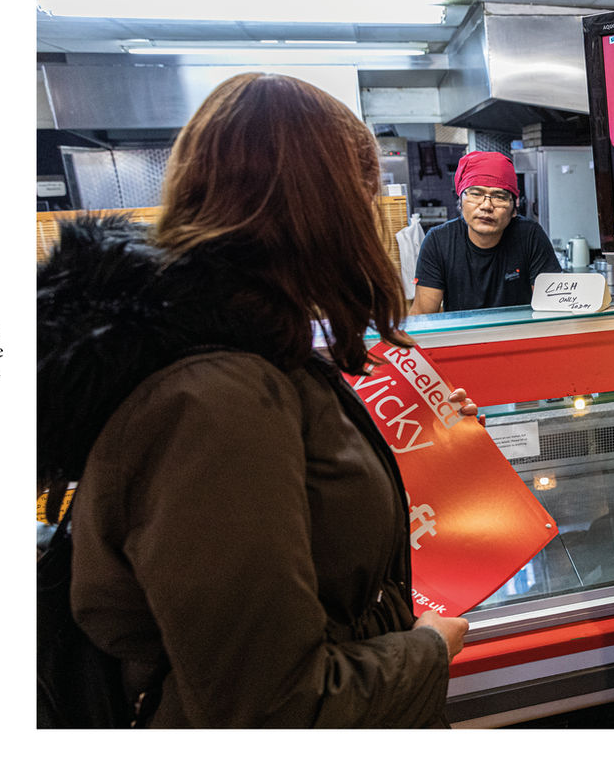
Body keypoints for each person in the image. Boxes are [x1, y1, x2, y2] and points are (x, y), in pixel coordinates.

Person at [36, 72, 472, 727]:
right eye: (365, 195)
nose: (378, 217)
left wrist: (427, 451)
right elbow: (272, 709)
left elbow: (301, 517)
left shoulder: (244, 346)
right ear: (324, 207)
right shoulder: (212, 403)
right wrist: (428, 649)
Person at [409, 151, 561, 314]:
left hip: (521, 336)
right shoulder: (438, 241)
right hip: (463, 338)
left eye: (499, 197)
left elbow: (553, 306)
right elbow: (423, 315)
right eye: (475, 194)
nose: (486, 206)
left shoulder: (530, 235)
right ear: (460, 202)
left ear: (514, 209)